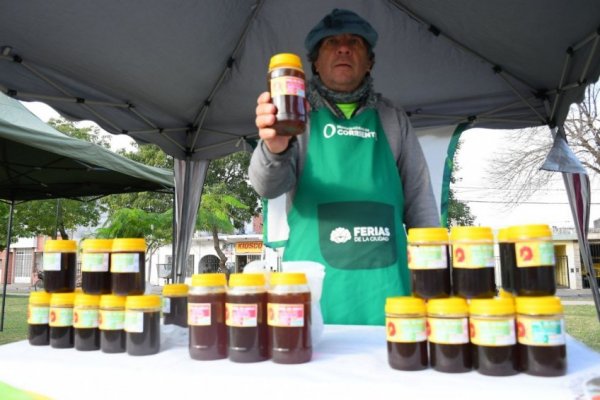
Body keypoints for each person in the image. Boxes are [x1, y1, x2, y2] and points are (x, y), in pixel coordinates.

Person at [249, 9, 439, 325]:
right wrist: (274, 147)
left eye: (354, 41)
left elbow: (421, 205)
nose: (343, 47)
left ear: (370, 61)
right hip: (314, 289)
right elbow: (267, 185)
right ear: (314, 62)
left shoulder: (393, 119)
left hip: (388, 291)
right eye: (331, 42)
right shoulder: (295, 117)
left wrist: (433, 277)